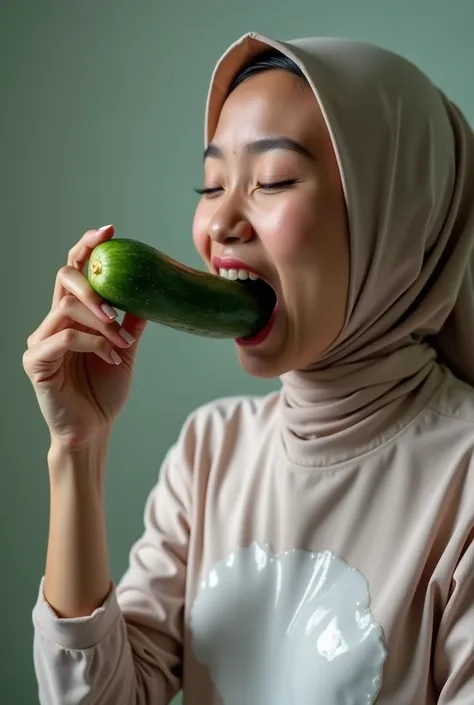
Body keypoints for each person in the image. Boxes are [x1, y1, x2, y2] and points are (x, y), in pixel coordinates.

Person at [23, 30, 474, 705]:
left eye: (272, 181)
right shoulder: (209, 451)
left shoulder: (463, 477)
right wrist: (75, 450)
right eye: (209, 185)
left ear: (395, 214)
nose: (220, 223)